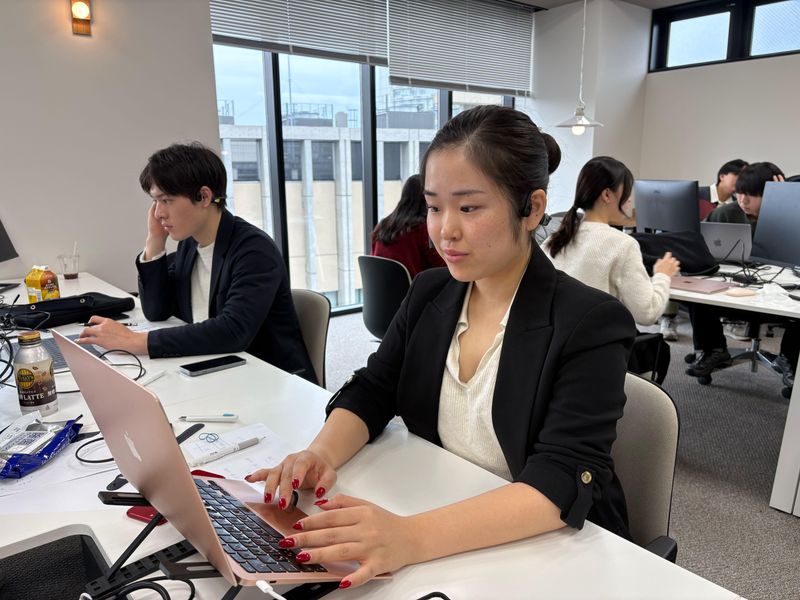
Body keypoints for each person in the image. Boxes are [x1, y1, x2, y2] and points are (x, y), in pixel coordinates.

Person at [246, 106, 636, 589]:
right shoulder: (431, 291)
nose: (445, 230)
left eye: (468, 208)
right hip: (443, 506)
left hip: (554, 549)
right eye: (434, 207)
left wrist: (409, 537)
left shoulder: (589, 322)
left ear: (532, 208)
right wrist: (320, 453)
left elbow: (559, 479)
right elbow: (374, 389)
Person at [77, 143, 316, 383]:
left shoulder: (254, 250)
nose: (158, 213)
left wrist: (135, 341)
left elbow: (233, 331)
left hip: (271, 380)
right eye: (155, 201)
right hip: (218, 372)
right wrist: (155, 242)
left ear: (204, 196)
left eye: (166, 200)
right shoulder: (190, 245)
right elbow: (157, 310)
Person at [686, 162, 796, 391]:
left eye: (751, 195)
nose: (743, 200)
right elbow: (699, 250)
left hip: (778, 300)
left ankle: (789, 359)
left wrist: (786, 199)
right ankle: (713, 350)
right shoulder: (725, 214)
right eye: (739, 192)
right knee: (698, 292)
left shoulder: (791, 218)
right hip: (732, 295)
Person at [544, 156, 681, 327]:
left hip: (554, 338)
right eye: (627, 192)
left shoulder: (552, 240)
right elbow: (647, 313)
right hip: (595, 339)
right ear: (607, 195)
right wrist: (662, 275)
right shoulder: (623, 245)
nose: (629, 200)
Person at [371, 174, 445, 278]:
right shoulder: (423, 230)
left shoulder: (382, 226)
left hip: (382, 288)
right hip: (417, 288)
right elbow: (443, 269)